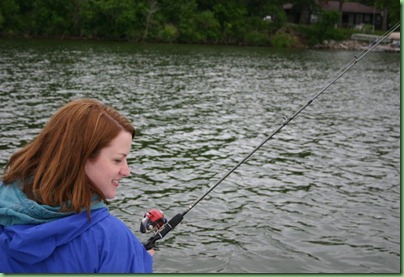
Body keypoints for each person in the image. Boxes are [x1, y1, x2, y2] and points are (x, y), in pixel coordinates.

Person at [0, 98, 154, 273]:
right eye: (118, 160)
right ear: (81, 159)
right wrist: (137, 261)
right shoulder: (111, 239)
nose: (127, 171)